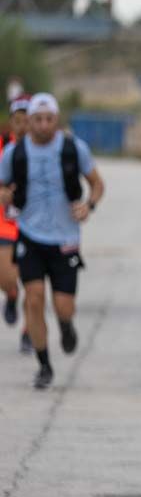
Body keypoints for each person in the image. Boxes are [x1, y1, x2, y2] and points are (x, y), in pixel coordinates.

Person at [0, 93, 104, 389]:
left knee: (63, 306)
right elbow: (1, 185)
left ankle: (66, 325)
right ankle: (44, 364)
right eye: (37, 120)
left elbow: (97, 183)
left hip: (65, 238)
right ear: (28, 122)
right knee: (33, 299)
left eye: (49, 119)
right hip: (30, 235)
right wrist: (4, 195)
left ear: (56, 121)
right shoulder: (15, 153)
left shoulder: (73, 149)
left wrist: (89, 205)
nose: (43, 125)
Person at [0, 95, 29, 346]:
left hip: (36, 226)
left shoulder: (47, 151)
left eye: (26, 121)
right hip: (6, 224)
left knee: (35, 284)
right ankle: (10, 296)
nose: (22, 126)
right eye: (17, 121)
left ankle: (30, 332)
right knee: (8, 279)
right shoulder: (2, 147)